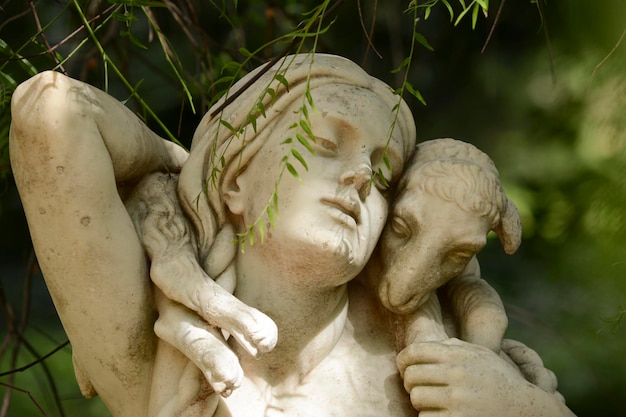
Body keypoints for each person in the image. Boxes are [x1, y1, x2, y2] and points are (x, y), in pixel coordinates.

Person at [10, 53, 574, 417]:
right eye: (326, 146)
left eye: (380, 174)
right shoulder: (166, 350)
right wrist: (185, 173)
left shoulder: (433, 351)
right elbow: (49, 111)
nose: (359, 175)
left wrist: (527, 410)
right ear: (236, 180)